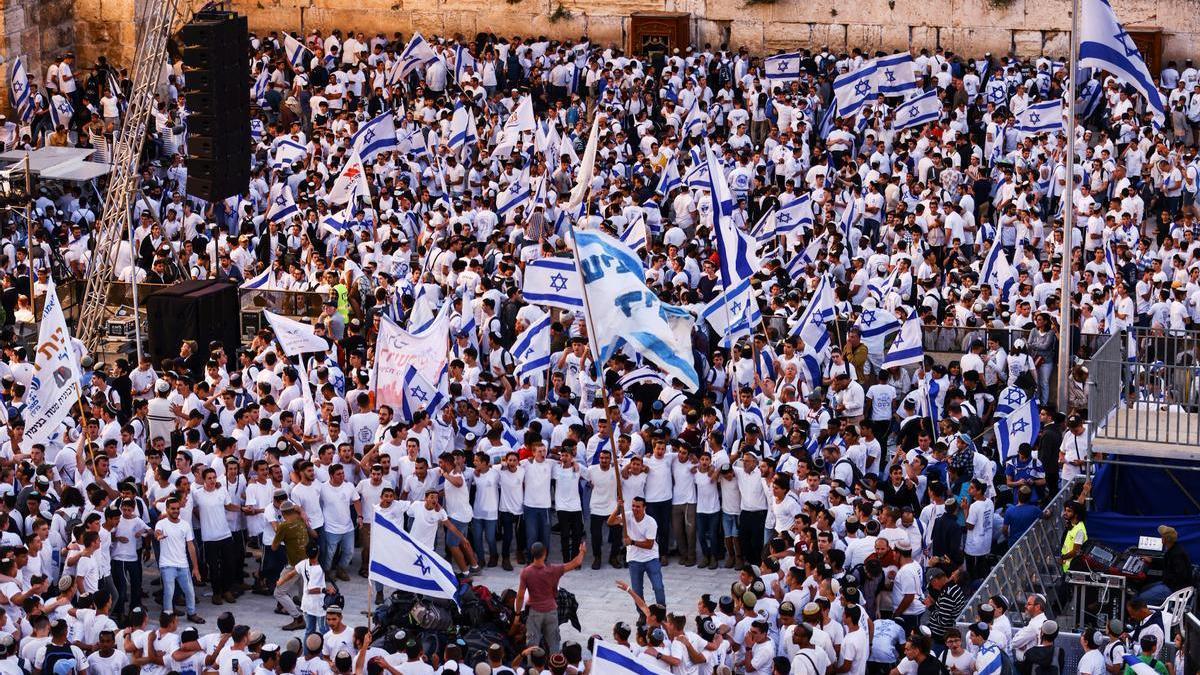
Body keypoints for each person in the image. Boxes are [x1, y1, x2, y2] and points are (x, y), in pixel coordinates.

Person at [514, 540, 586, 653]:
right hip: (551, 611)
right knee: (554, 644)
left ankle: (532, 668)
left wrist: (517, 614)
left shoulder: (526, 572)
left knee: (532, 646)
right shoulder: (554, 569)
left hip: (534, 613)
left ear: (532, 553)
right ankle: (555, 666)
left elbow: (520, 596)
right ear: (545, 553)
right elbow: (575, 563)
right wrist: (582, 552)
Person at [610, 496, 666, 607]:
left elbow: (649, 545)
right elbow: (610, 522)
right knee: (637, 591)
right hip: (634, 559)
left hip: (651, 558)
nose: (635, 508)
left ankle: (661, 612)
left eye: (638, 507)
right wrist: (618, 509)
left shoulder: (651, 522)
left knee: (658, 587)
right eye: (633, 506)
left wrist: (632, 542)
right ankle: (642, 614)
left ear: (644, 507)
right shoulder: (628, 516)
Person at [1135, 525, 1193, 604]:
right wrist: (1152, 560)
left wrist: (1166, 579)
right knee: (1143, 589)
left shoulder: (1177, 554)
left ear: (1165, 539)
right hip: (1169, 584)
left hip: (1174, 589)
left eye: (1162, 537)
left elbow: (1181, 575)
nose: (1161, 538)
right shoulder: (1173, 549)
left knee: (1139, 600)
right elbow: (1168, 563)